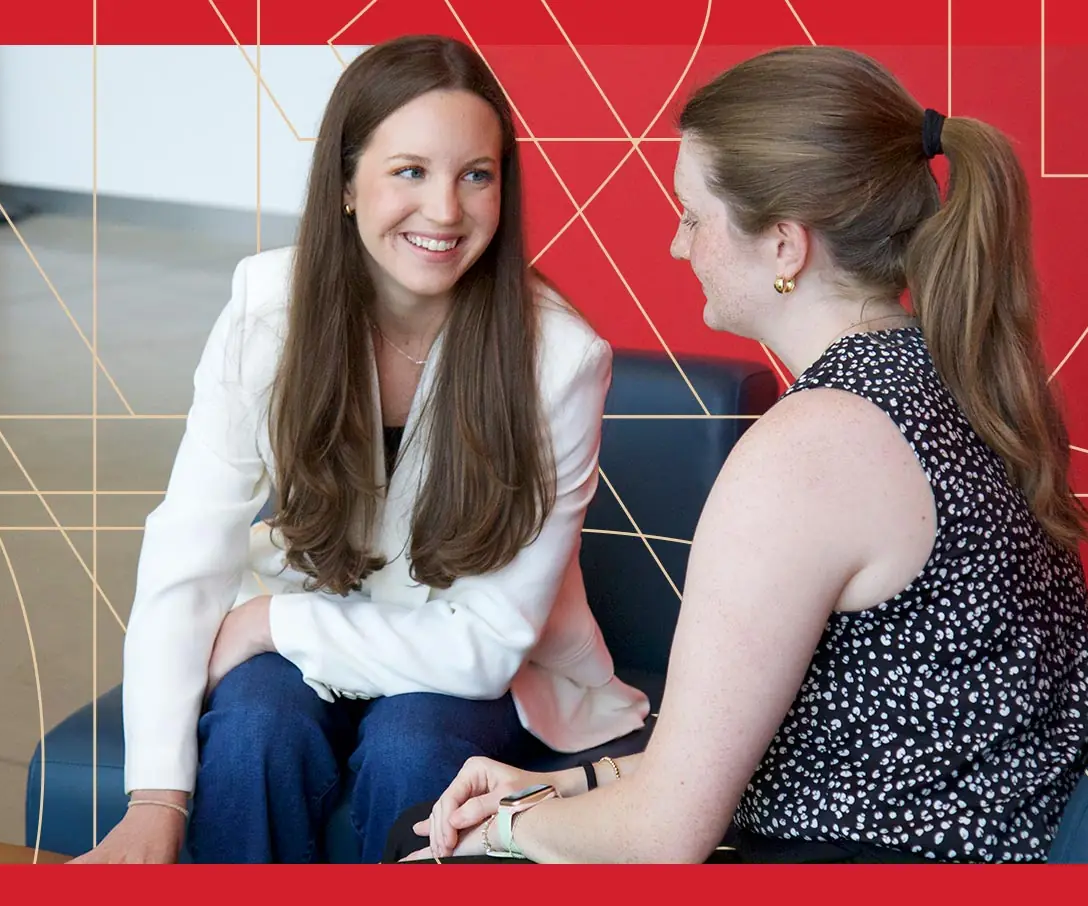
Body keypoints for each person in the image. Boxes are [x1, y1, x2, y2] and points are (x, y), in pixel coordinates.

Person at [386, 44, 1088, 865]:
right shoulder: (960, 375)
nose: (676, 244)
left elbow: (664, 839)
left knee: (419, 838)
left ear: (784, 248)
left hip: (872, 860)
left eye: (693, 216)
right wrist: (563, 786)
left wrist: (506, 828)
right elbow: (824, 735)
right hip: (979, 839)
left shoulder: (810, 450)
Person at [67, 34, 650, 866]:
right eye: (409, 171)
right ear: (346, 184)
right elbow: (186, 547)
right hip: (315, 596)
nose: (445, 211)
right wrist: (156, 800)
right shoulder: (267, 308)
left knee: (415, 748)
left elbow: (482, 647)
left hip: (458, 647)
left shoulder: (560, 357)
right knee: (254, 734)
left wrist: (274, 622)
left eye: (475, 175)